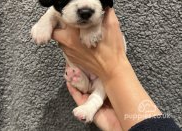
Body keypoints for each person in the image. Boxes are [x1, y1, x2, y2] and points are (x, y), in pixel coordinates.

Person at [52, 8, 181, 131]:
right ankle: (84, 84)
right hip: (86, 69)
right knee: (85, 78)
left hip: (102, 75)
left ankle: (91, 103)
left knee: (99, 90)